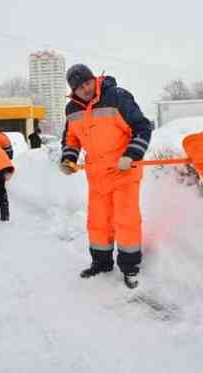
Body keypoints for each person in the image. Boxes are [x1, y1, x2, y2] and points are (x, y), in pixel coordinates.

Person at [59, 64, 152, 289]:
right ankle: (101, 262)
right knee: (98, 221)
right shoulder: (72, 109)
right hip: (97, 174)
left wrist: (132, 154)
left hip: (124, 170)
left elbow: (142, 127)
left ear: (94, 79)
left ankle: (130, 267)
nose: (86, 89)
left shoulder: (117, 97)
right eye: (80, 87)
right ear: (74, 90)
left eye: (88, 82)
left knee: (126, 219)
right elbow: (72, 138)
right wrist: (68, 159)